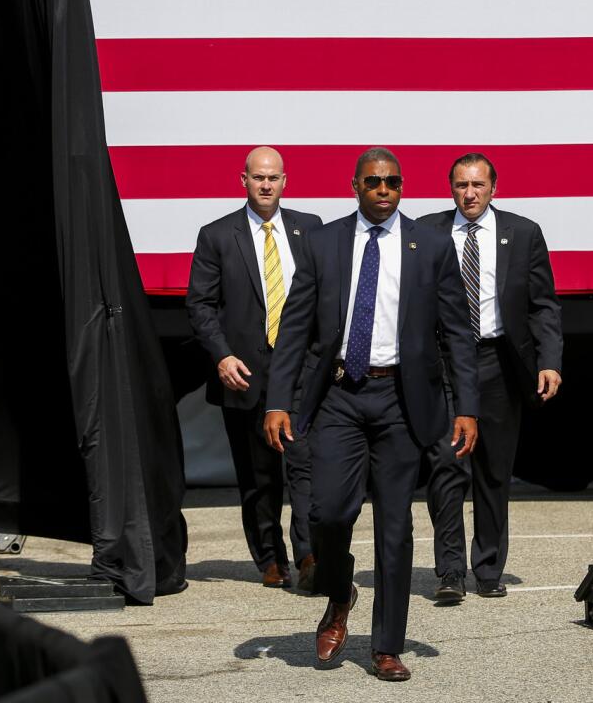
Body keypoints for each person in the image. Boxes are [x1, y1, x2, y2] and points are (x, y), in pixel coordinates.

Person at [264, 147, 478, 682]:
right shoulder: (323, 242)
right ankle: (340, 593)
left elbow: (456, 332)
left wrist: (466, 408)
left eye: (393, 183)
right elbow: (294, 328)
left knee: (394, 525)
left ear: (402, 188)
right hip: (339, 395)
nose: (384, 191)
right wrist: (276, 400)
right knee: (329, 514)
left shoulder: (430, 246)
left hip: (401, 401)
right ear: (355, 186)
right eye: (374, 183)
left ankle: (387, 645)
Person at [421, 153, 563, 603]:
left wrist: (549, 360)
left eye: (478, 185)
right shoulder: (426, 231)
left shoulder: (522, 233)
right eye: (461, 185)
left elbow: (543, 304)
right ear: (450, 188)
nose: (469, 194)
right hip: (443, 363)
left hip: (499, 361)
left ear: (494, 188)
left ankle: (487, 569)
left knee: (493, 471)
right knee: (446, 466)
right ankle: (449, 571)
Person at [186, 146, 321, 590]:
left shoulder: (310, 229)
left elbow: (326, 297)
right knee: (258, 476)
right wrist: (222, 355)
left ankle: (308, 554)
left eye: (274, 177)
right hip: (244, 372)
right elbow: (201, 305)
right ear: (242, 180)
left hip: (299, 370)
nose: (266, 184)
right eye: (258, 177)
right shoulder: (217, 235)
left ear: (286, 182)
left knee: (304, 466)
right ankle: (269, 557)